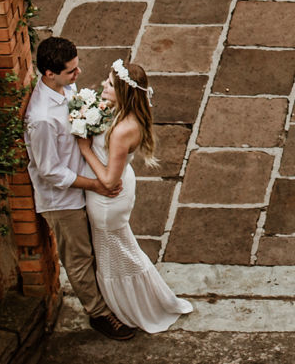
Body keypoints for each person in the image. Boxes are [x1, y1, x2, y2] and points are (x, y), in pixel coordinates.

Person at [25, 37, 138, 341]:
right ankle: (99, 314)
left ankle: (114, 300)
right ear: (49, 73)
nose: (78, 74)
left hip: (84, 183)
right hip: (62, 200)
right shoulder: (42, 120)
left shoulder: (64, 87)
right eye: (71, 71)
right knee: (79, 257)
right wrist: (98, 185)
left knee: (96, 248)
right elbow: (49, 171)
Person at [77, 58, 195, 332]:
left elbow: (107, 180)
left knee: (114, 255)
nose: (103, 86)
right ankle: (144, 300)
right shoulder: (123, 115)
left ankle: (132, 307)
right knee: (122, 249)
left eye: (109, 84)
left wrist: (85, 149)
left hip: (108, 199)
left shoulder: (122, 130)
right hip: (118, 187)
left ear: (124, 92)